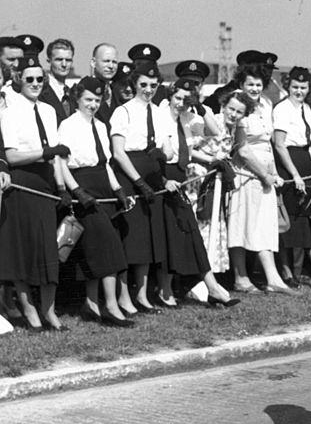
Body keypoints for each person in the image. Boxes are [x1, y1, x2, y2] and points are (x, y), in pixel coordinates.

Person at [55, 76, 132, 327]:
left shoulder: (100, 125)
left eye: (97, 100)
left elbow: (105, 162)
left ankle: (91, 303)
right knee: (108, 246)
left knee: (96, 248)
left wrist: (118, 189)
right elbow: (61, 163)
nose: (93, 105)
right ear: (77, 99)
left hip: (103, 185)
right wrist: (77, 191)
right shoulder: (68, 125)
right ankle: (110, 305)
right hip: (83, 186)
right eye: (88, 99)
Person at [157, 79, 239, 309]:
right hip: (163, 175)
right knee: (171, 235)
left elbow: (214, 131)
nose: (181, 103)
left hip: (180, 176)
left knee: (189, 232)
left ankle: (212, 288)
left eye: (186, 99)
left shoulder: (188, 117)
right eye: (178, 98)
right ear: (170, 96)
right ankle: (166, 289)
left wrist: (199, 107)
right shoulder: (159, 115)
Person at [0, 53, 67, 330]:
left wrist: (62, 186)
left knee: (48, 248)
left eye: (40, 78)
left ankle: (49, 311)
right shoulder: (9, 112)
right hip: (22, 182)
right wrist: (44, 152)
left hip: (45, 181)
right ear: (19, 80)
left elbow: (57, 154)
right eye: (30, 79)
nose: (36, 83)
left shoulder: (49, 111)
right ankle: (29, 310)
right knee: (23, 249)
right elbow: (12, 156)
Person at [109, 45, 170, 315]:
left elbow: (169, 149)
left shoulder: (159, 112)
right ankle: (124, 297)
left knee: (147, 238)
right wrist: (138, 182)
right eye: (144, 84)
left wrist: (162, 154)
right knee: (130, 239)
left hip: (152, 175)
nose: (148, 89)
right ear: (135, 84)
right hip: (129, 176)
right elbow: (118, 152)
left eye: (153, 85)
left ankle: (142, 295)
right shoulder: (123, 112)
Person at [226, 71, 295, 295]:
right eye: (250, 84)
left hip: (265, 175)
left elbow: (267, 144)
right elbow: (243, 150)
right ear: (242, 84)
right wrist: (264, 175)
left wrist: (272, 173)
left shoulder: (265, 104)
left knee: (265, 225)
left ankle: (273, 278)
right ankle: (240, 278)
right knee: (241, 225)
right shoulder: (238, 107)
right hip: (245, 175)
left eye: (258, 84)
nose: (255, 89)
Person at [272, 66, 311, 288]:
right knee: (291, 221)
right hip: (289, 167)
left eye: (303, 87)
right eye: (295, 87)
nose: (299, 91)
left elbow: (307, 146)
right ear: (288, 86)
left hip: (306, 165)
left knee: (310, 218)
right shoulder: (282, 109)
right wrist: (295, 175)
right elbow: (280, 145)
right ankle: (287, 272)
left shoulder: (306, 108)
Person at [40, 38, 76, 122]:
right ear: (49, 61)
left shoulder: (74, 94)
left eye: (68, 60)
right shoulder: (40, 91)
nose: (64, 64)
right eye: (59, 60)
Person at [90, 43, 119, 123]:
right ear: (93, 63)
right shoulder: (82, 91)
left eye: (114, 62)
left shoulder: (117, 92)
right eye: (106, 61)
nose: (111, 66)